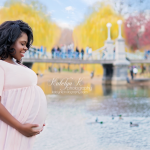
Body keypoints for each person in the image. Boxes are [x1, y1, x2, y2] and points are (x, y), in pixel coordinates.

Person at [0, 20, 47, 150]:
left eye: (27, 44)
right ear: (9, 41)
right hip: (11, 129)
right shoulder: (1, 66)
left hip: (22, 131)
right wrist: (20, 127)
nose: (26, 48)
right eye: (22, 44)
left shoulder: (16, 64)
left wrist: (36, 121)